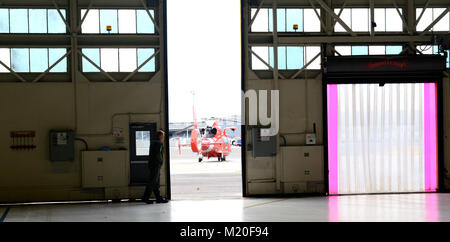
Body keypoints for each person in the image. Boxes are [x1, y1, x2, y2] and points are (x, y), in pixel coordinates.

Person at [142, 130, 168, 204]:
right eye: (163, 136)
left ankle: (158, 198)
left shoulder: (153, 142)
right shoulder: (159, 143)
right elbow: (158, 154)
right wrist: (160, 162)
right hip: (156, 165)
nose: (163, 138)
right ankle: (146, 198)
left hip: (152, 164)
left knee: (155, 182)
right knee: (153, 182)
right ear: (160, 136)